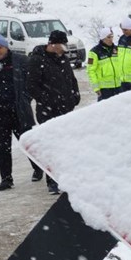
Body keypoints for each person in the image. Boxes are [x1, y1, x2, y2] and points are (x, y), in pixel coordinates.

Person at [26, 29, 80, 194]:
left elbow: (71, 79)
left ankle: (65, 179)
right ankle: (52, 181)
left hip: (65, 110)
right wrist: (48, 100)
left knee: (65, 147)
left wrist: (74, 95)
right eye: (62, 44)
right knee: (51, 147)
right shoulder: (36, 60)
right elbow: (31, 86)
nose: (65, 48)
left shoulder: (62, 59)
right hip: (47, 111)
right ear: (53, 44)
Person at [0, 34, 39, 191]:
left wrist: (26, 98)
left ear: (6, 47)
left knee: (27, 142)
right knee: (2, 147)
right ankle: (6, 179)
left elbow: (31, 81)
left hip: (18, 111)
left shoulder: (20, 60)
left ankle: (38, 168)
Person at [87, 27, 122, 100]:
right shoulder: (94, 52)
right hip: (104, 89)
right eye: (108, 37)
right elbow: (90, 71)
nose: (111, 39)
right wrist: (96, 87)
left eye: (112, 37)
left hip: (118, 86)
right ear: (103, 38)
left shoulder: (117, 49)